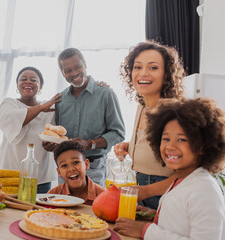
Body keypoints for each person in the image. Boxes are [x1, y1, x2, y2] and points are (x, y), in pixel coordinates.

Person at [114, 98, 225, 239]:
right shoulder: (182, 181)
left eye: (181, 139)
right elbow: (181, 221)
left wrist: (145, 230)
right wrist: (154, 214)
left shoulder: (204, 189)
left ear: (202, 146)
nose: (170, 146)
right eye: (165, 139)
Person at [113, 41, 185, 209]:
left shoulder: (174, 112)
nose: (143, 73)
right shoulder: (142, 107)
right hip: (141, 188)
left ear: (167, 74)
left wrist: (145, 191)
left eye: (153, 68)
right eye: (137, 67)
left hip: (165, 196)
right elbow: (159, 149)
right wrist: (130, 146)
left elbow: (188, 172)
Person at [43, 48, 125, 188]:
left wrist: (90, 143)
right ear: (63, 74)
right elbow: (59, 135)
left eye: (77, 67)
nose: (74, 73)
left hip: (94, 168)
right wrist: (50, 144)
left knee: (92, 209)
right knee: (65, 207)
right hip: (65, 169)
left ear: (85, 64)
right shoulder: (60, 100)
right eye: (68, 70)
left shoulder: (105, 94)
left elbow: (118, 133)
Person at [0, 66, 61, 193]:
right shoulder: (9, 103)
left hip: (40, 178)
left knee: (36, 212)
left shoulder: (50, 108)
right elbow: (11, 119)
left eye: (33, 80)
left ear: (40, 86)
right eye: (23, 79)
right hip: (11, 174)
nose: (28, 82)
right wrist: (41, 108)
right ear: (17, 85)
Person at [48, 141, 105, 205]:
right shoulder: (53, 195)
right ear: (59, 172)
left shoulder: (102, 196)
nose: (71, 169)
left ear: (86, 164)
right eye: (64, 165)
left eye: (75, 162)